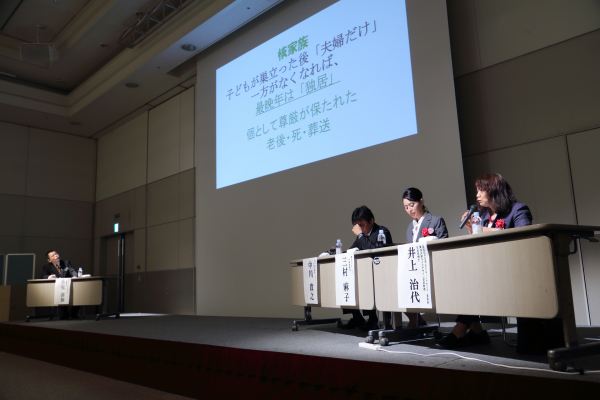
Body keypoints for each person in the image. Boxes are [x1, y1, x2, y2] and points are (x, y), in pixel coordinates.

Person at [437, 173, 533, 349]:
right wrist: (471, 229)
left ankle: (461, 331)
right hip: (487, 269)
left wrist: (480, 229)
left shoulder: (517, 209)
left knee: (471, 282)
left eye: (481, 190)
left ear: (494, 190)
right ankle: (477, 332)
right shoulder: (483, 216)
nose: (477, 195)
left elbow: (525, 236)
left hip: (511, 271)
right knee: (461, 278)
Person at [338, 206, 392, 330]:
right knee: (346, 280)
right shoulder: (361, 237)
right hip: (365, 273)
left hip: (381, 273)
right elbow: (351, 250)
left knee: (365, 282)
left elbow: (374, 250)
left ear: (371, 221)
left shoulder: (382, 232)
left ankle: (373, 319)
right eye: (357, 225)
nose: (360, 228)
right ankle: (357, 317)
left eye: (362, 225)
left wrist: (360, 235)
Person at [402, 187, 448, 327]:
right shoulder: (409, 228)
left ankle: (417, 321)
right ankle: (416, 319)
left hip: (432, 268)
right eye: (406, 207)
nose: (409, 209)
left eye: (412, 205)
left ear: (421, 202)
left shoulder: (436, 221)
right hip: (414, 270)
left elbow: (444, 246)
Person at [42, 250, 81, 320]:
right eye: (53, 255)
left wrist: (75, 276)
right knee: (59, 293)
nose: (56, 256)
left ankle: (74, 312)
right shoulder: (47, 267)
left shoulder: (66, 263)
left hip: (69, 285)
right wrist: (49, 277)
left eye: (56, 254)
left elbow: (73, 271)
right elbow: (43, 276)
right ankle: (65, 313)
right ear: (49, 260)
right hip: (58, 287)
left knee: (78, 293)